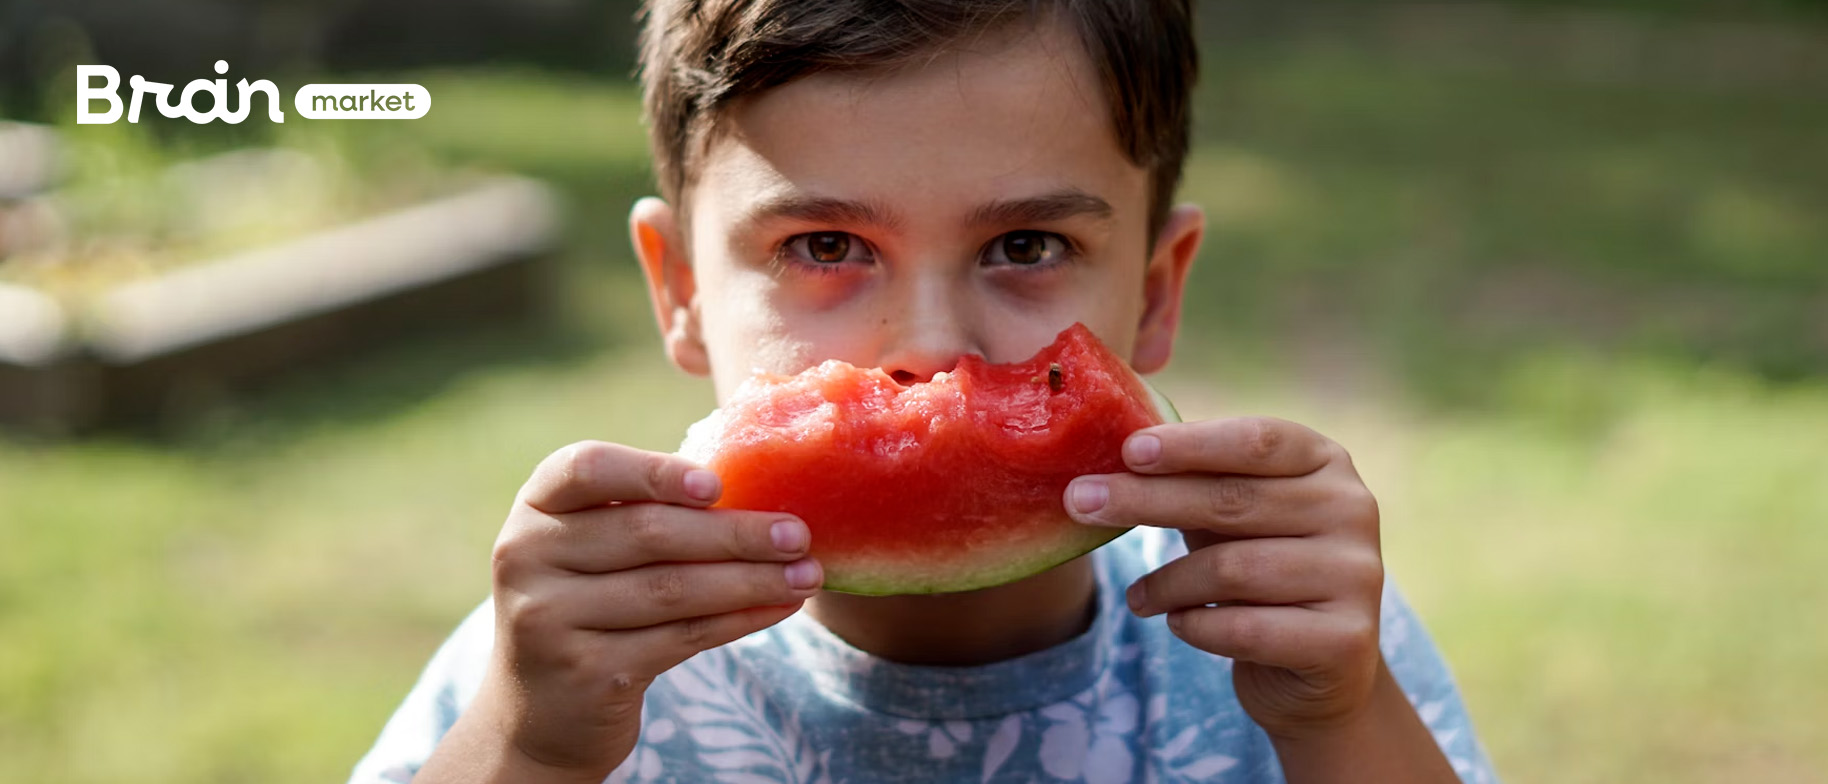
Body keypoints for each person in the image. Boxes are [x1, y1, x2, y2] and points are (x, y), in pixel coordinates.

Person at [350, 1, 1499, 781]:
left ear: (1155, 292)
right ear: (681, 292)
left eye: (1025, 246)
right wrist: (533, 750)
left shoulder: (1279, 635)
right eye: (824, 247)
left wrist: (1340, 720)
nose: (932, 348)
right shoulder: (562, 661)